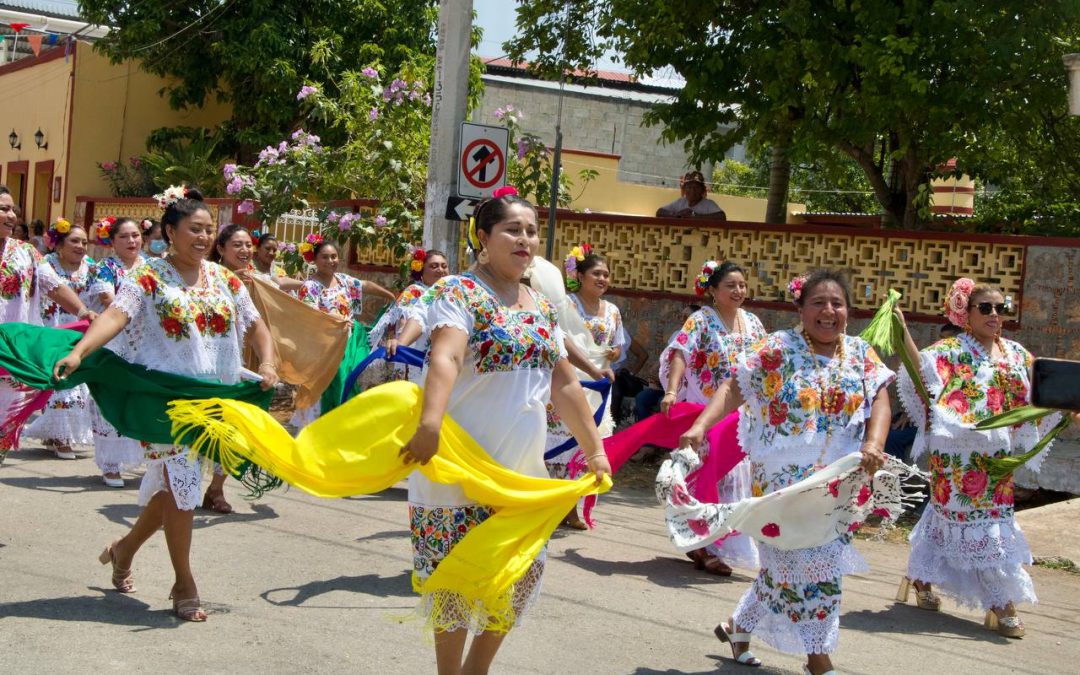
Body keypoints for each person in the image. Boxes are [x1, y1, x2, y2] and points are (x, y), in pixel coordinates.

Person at [399, 187, 611, 675]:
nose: (525, 239)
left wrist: (594, 451)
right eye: (512, 230)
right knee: (454, 584)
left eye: (532, 231)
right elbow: (447, 355)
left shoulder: (538, 303)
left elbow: (564, 382)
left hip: (520, 472)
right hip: (456, 467)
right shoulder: (459, 291)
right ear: (483, 237)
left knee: (519, 577)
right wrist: (430, 423)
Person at [51, 186, 279, 622]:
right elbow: (117, 315)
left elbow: (255, 326)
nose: (203, 238)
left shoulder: (226, 279)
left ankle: (123, 550)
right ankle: (184, 583)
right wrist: (80, 352)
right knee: (182, 486)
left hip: (216, 401)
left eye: (209, 230)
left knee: (180, 490)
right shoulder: (148, 276)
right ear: (170, 232)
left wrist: (267, 361)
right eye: (194, 229)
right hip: (166, 400)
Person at [680, 269, 893, 675]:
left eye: (837, 303)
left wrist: (873, 443)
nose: (828, 311)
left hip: (838, 480)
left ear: (848, 310)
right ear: (800, 308)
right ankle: (819, 659)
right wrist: (701, 425)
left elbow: (881, 397)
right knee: (810, 564)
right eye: (818, 303)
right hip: (781, 480)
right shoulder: (778, 347)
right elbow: (735, 388)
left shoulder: (862, 353)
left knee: (794, 565)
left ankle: (737, 627)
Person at [894, 279, 1080, 638]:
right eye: (986, 308)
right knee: (972, 520)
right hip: (957, 456)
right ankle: (1000, 602)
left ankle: (920, 578)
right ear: (966, 314)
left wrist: (1070, 406)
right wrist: (902, 333)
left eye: (1001, 308)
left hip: (996, 458)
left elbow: (1042, 389)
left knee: (971, 518)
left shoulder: (1014, 352)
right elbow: (924, 374)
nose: (995, 315)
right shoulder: (950, 350)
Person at [660, 261, 766, 574]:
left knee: (735, 480)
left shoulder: (754, 323)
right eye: (731, 285)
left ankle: (721, 542)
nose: (738, 291)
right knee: (707, 478)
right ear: (713, 290)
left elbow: (765, 362)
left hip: (740, 416)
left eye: (742, 285)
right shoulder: (701, 321)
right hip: (704, 411)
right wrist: (671, 390)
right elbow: (681, 353)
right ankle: (702, 545)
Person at [0, 188, 93, 463]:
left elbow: (53, 286)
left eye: (12, 209)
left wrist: (82, 310)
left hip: (15, 350)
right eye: (3, 208)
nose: (11, 215)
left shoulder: (27, 253)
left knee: (7, 416)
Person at [544, 246, 625, 529]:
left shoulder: (612, 310)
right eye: (596, 273)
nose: (602, 278)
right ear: (579, 275)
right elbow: (560, 338)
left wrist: (614, 353)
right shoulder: (567, 305)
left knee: (588, 444)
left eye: (606, 274)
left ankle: (572, 507)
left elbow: (617, 343)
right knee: (561, 441)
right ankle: (552, 505)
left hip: (599, 383)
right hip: (570, 378)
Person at [290, 239, 395, 428]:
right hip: (326, 346)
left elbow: (364, 285)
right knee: (334, 383)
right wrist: (336, 318)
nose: (331, 261)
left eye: (334, 256)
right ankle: (329, 426)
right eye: (325, 257)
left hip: (350, 341)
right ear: (314, 260)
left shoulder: (343, 280)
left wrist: (388, 295)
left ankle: (349, 424)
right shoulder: (310, 287)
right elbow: (311, 314)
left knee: (352, 379)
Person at [24, 219, 96, 459]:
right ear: (58, 244)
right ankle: (58, 435)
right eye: (74, 241)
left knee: (77, 385)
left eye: (84, 242)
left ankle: (60, 434)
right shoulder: (46, 264)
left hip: (79, 332)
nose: (81, 246)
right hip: (50, 328)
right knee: (55, 381)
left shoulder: (92, 267)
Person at [85, 217, 147, 486]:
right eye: (124, 236)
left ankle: (146, 457)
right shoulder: (105, 267)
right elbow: (107, 299)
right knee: (110, 398)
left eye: (135, 235)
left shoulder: (151, 267)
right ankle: (110, 464)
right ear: (112, 241)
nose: (132, 241)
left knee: (139, 397)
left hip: (145, 342)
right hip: (113, 339)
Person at [884, 322, 962, 461]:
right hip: (923, 415)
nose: (941, 343)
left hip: (940, 423)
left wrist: (920, 416)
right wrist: (910, 413)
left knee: (893, 438)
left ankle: (897, 477)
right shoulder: (936, 363)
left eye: (947, 340)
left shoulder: (962, 367)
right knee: (891, 423)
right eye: (940, 338)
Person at [374, 248, 451, 384]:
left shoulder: (449, 293)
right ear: (421, 271)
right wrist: (401, 342)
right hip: (415, 353)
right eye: (434, 266)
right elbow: (405, 320)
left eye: (444, 266)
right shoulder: (415, 291)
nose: (440, 270)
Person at [656, 171, 727, 219]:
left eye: (696, 187)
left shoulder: (708, 204)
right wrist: (676, 214)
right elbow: (659, 212)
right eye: (689, 187)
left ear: (702, 190)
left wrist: (696, 216)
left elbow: (721, 216)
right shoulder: (680, 202)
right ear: (684, 189)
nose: (692, 191)